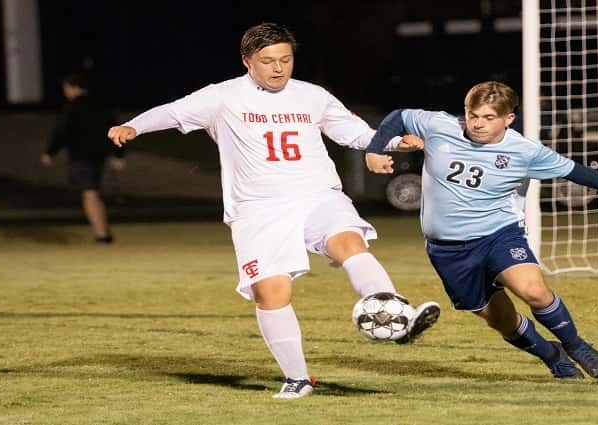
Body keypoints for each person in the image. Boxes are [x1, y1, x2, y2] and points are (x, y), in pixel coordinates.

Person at [107, 23, 440, 399]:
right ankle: (297, 379)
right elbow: (173, 111)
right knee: (271, 293)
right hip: (258, 209)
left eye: (286, 59)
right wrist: (133, 126)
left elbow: (353, 132)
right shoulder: (223, 97)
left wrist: (391, 141)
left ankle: (396, 313)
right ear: (247, 61)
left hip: (316, 194)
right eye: (268, 61)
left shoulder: (312, 96)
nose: (278, 68)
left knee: (348, 242)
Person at [364, 81, 598, 380]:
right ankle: (552, 355)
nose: (477, 124)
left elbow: (582, 174)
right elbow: (398, 116)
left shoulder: (525, 151)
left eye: (488, 117)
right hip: (447, 249)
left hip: (498, 234)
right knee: (502, 321)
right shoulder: (439, 125)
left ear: (508, 119)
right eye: (472, 115)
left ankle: (576, 346)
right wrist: (374, 150)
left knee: (533, 291)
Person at [41, 72, 125, 243]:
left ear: (73, 87)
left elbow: (61, 132)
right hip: (99, 156)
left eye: (65, 88)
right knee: (93, 192)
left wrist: (50, 152)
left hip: (81, 156)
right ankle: (104, 231)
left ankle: (101, 235)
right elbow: (114, 128)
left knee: (89, 194)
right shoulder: (100, 105)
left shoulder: (71, 107)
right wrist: (118, 154)